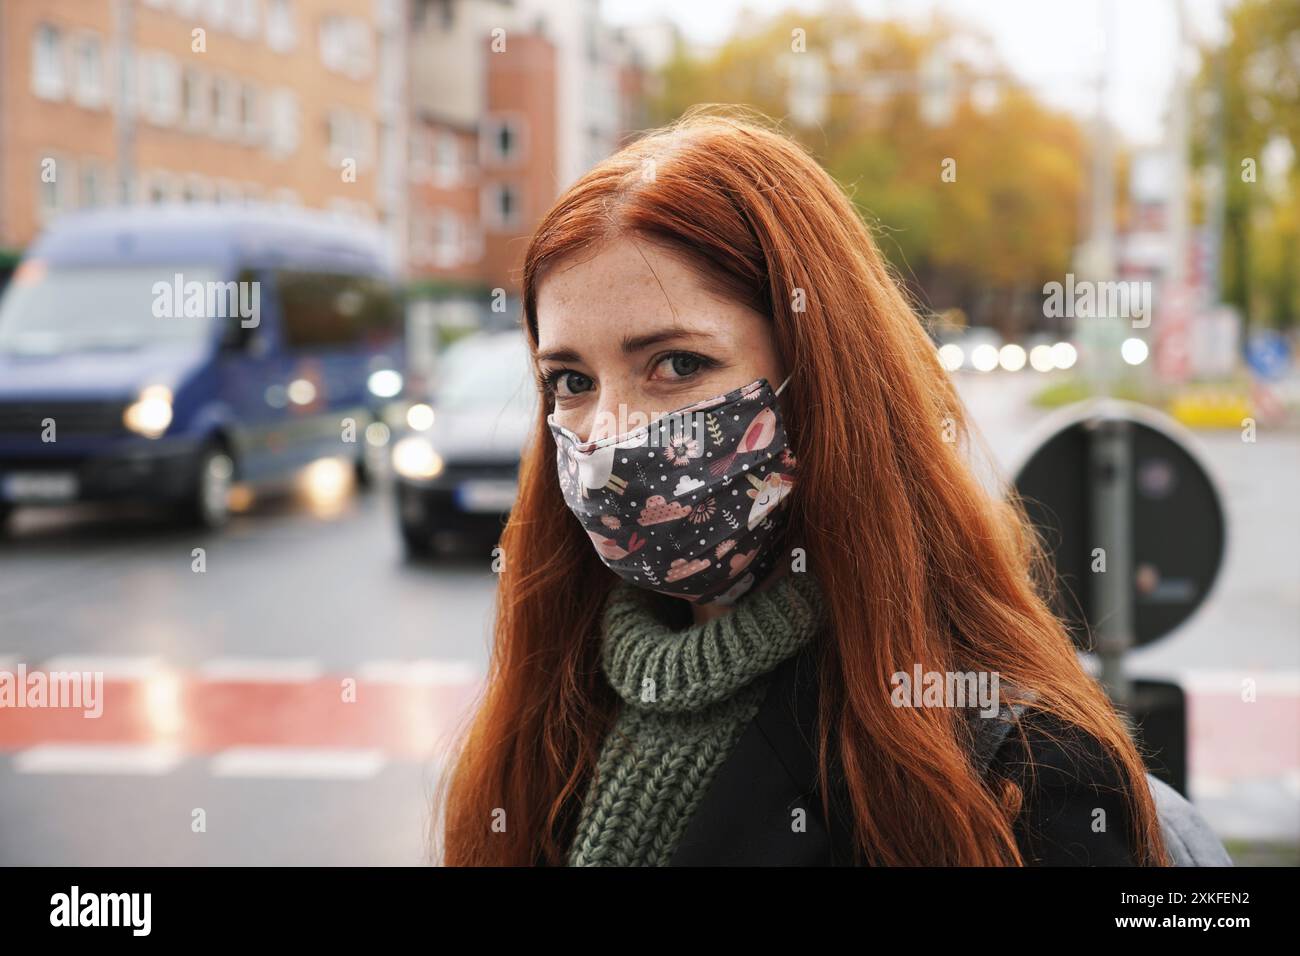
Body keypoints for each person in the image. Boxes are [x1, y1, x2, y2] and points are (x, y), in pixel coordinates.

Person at [436, 107, 1170, 867]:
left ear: (819, 375)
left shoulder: (1013, 778)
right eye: (571, 380)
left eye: (678, 364)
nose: (609, 433)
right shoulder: (546, 722)